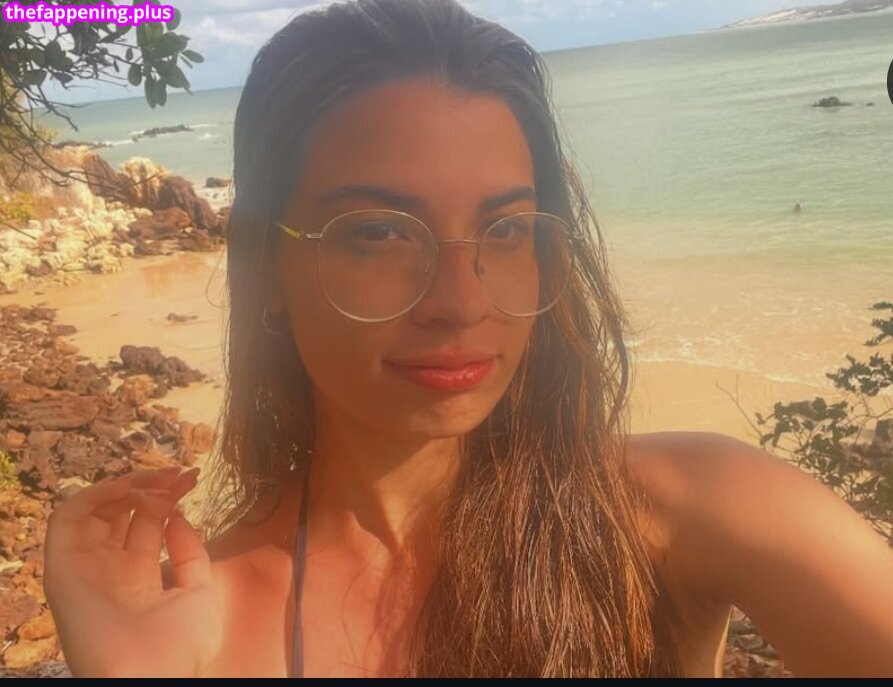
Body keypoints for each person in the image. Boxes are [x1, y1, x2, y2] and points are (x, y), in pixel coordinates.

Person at [42, 0, 893, 678]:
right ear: (265, 265)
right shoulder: (199, 625)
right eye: (379, 232)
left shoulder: (687, 513)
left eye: (506, 228)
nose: (461, 302)